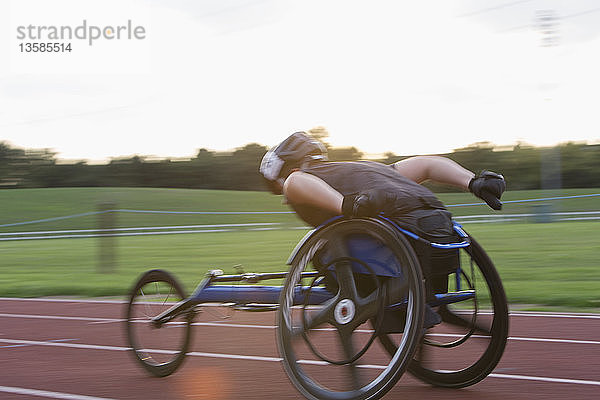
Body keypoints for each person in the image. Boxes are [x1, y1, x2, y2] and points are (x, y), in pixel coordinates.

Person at [259, 131, 506, 328]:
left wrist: (346, 205)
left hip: (402, 237)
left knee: (322, 250)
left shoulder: (299, 179)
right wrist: (473, 181)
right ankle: (403, 301)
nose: (284, 199)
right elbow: (427, 165)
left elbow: (296, 182)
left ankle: (391, 301)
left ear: (290, 169)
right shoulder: (370, 170)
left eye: (279, 189)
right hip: (438, 226)